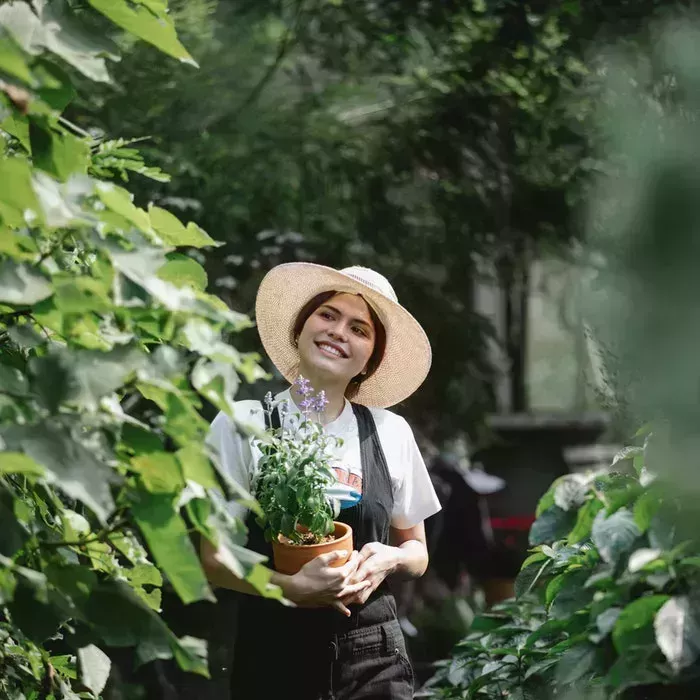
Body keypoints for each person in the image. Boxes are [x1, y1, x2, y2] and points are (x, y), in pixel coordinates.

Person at [202, 263, 441, 700]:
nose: (338, 332)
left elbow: (417, 552)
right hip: (274, 653)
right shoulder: (243, 423)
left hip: (374, 656)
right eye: (327, 315)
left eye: (359, 328)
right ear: (300, 327)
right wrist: (291, 587)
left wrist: (387, 558)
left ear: (371, 359)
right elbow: (212, 557)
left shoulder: (389, 432)